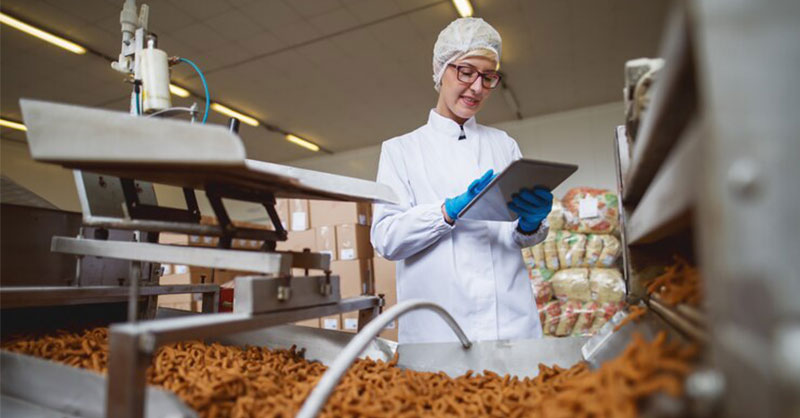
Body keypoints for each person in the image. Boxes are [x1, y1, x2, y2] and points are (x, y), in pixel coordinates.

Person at [370, 17, 554, 344]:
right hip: (439, 331)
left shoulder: (504, 145)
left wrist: (530, 224)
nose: (477, 87)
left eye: (488, 76)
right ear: (441, 70)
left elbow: (515, 238)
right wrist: (446, 212)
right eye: (466, 72)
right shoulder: (401, 150)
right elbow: (386, 239)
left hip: (510, 324)